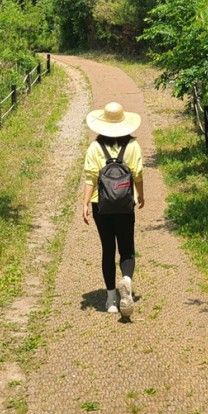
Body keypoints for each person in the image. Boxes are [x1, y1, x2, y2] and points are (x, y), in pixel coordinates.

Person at [82, 101, 144, 317]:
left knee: (108, 249)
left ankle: (110, 299)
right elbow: (137, 174)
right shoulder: (133, 146)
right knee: (127, 248)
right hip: (126, 204)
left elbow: (90, 178)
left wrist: (85, 203)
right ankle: (126, 279)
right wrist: (141, 196)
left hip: (102, 205)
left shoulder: (95, 147)